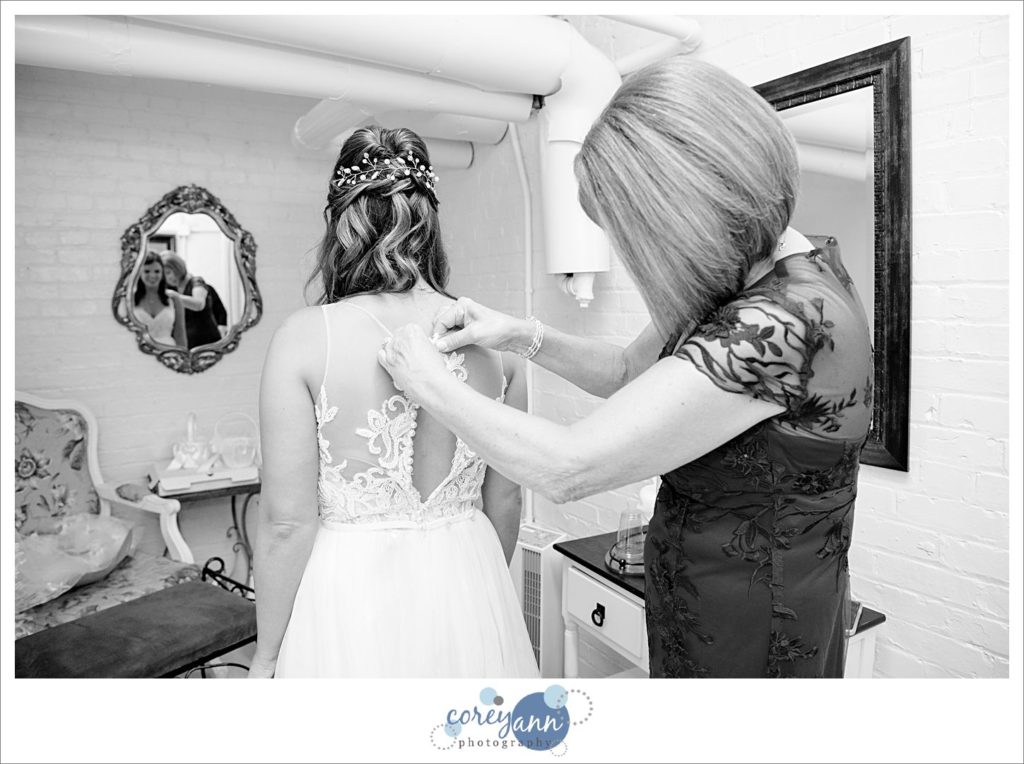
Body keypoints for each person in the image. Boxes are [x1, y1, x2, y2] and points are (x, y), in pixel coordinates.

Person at [378, 57, 873, 678]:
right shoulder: (755, 268)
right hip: (702, 597)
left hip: (753, 629)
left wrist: (427, 382)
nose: (627, 253)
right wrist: (519, 335)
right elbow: (623, 370)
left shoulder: (777, 324)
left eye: (627, 233)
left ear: (682, 212)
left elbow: (567, 467)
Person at [248, 126, 538, 678]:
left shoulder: (305, 337)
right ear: (430, 221)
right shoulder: (496, 340)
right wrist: (478, 602)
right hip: (469, 580)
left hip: (351, 599)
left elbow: (287, 524)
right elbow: (505, 504)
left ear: (342, 223)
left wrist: (266, 655)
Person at [161, 253, 223, 348]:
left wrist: (173, 296)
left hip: (206, 342)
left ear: (178, 268)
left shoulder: (196, 282)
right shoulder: (173, 288)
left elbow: (198, 304)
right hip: (186, 343)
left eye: (169, 272)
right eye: (164, 275)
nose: (168, 277)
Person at [132, 252, 186, 347]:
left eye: (157, 271)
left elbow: (180, 335)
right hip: (139, 352)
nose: (152, 276)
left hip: (168, 354)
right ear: (139, 273)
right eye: (147, 271)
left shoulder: (174, 298)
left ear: (162, 273)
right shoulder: (130, 299)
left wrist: (183, 358)